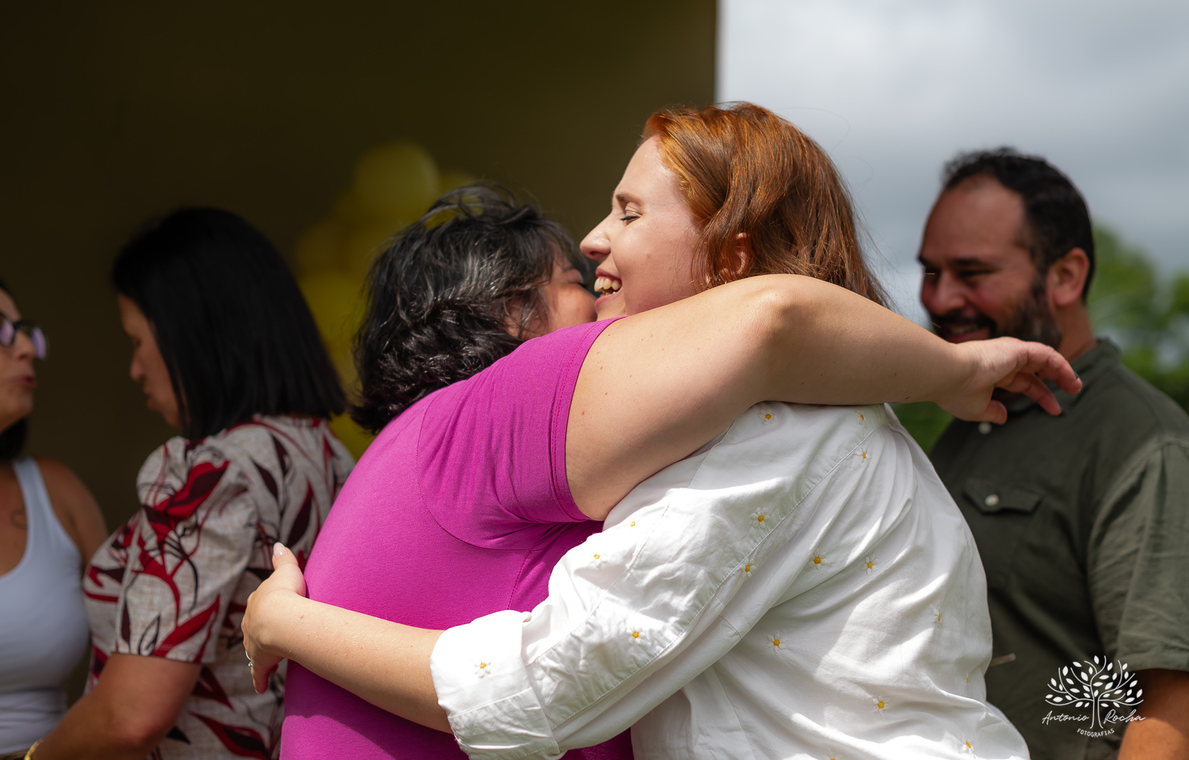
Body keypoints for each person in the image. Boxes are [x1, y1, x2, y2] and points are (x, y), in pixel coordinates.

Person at [246, 105, 1080, 760]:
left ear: (730, 258)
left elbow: (541, 686)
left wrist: (288, 624)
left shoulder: (775, 430)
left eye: (630, 212)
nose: (594, 240)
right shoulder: (793, 414)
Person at [28, 209, 354, 760]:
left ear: (192, 334)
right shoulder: (327, 454)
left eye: (136, 341)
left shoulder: (209, 475)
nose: (135, 369)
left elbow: (131, 715)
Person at [916, 148, 1189, 760]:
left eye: (972, 272)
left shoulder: (1145, 445)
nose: (939, 299)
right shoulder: (972, 418)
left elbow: (1174, 706)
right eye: (930, 272)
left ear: (1066, 277)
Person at [0, 279, 107, 760]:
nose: (26, 348)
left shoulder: (56, 490)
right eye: (1, 330)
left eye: (25, 330)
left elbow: (136, 653)